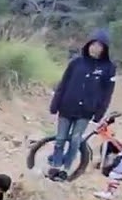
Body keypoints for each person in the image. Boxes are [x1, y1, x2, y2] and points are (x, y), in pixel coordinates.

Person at [47, 30, 116, 181]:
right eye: (93, 44)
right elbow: (63, 84)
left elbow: (107, 93)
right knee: (60, 139)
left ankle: (66, 169)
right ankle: (55, 166)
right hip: (66, 106)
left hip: (86, 111)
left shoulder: (109, 68)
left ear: (105, 49)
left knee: (75, 140)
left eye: (99, 46)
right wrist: (55, 104)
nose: (95, 48)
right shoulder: (76, 63)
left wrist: (99, 113)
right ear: (88, 45)